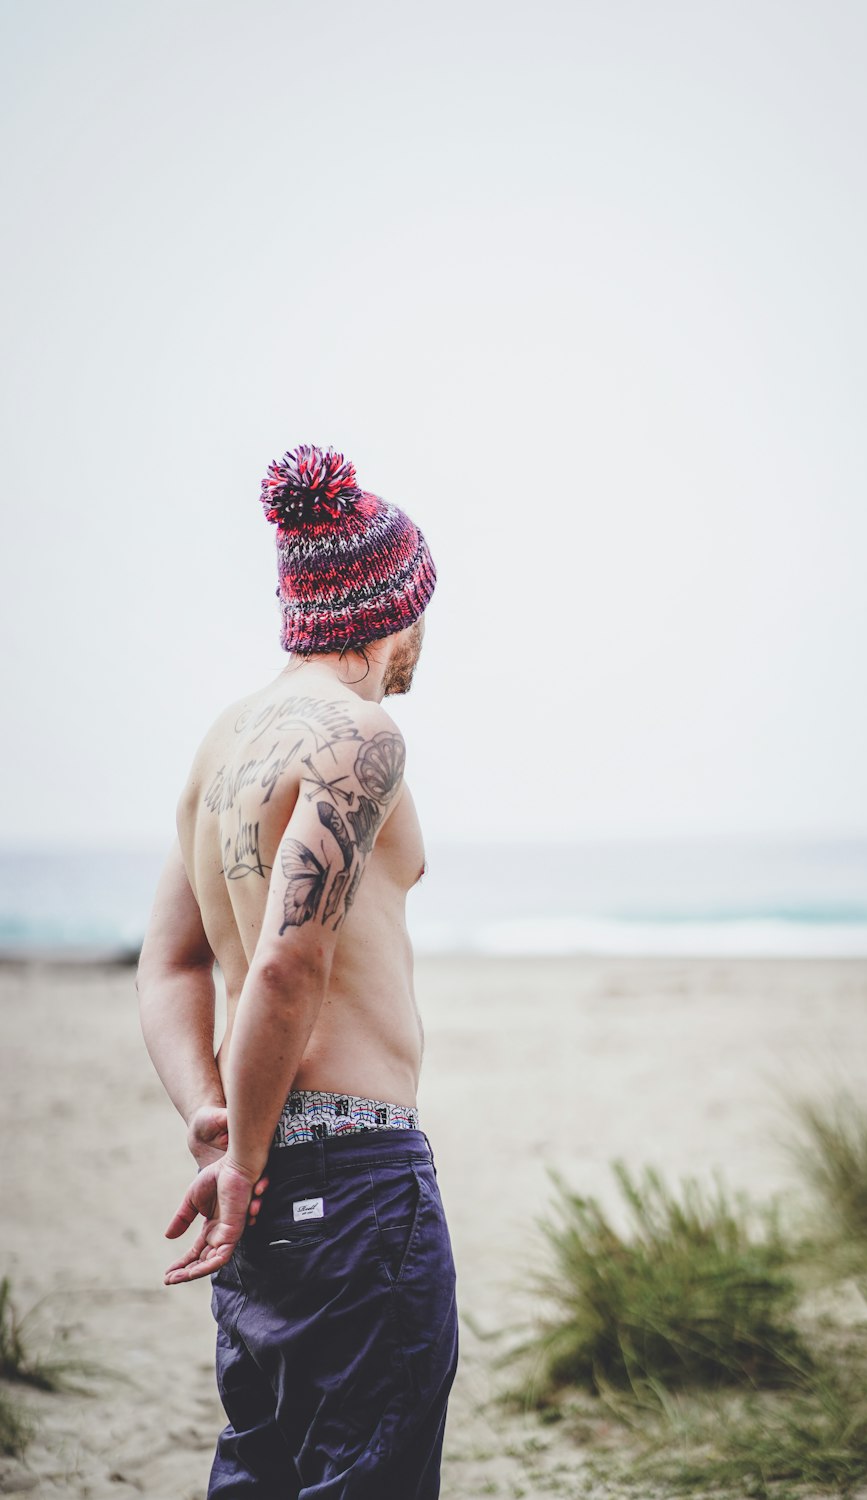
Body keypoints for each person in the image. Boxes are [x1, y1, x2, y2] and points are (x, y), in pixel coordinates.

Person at [136, 443, 458, 1498]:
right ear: (390, 611)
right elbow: (286, 963)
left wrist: (214, 1121)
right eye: (423, 610)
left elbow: (172, 964)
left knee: (266, 1468)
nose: (422, 643)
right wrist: (242, 1155)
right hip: (355, 1177)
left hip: (261, 1168)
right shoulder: (359, 737)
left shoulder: (219, 750)